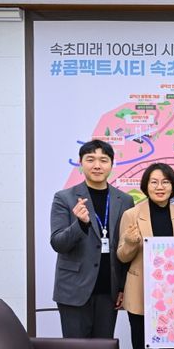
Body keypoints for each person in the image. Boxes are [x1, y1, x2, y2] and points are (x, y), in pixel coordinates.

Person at [117, 163, 174, 349]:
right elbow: (122, 256)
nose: (159, 187)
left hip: (172, 297)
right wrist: (131, 243)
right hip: (141, 294)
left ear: (173, 187)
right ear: (145, 186)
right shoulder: (131, 215)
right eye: (154, 182)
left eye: (165, 182)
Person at [50, 139, 133, 338]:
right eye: (90, 159)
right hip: (73, 290)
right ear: (81, 163)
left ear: (111, 164)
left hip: (109, 290)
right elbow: (58, 243)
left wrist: (123, 287)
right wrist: (79, 224)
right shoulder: (64, 198)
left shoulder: (125, 200)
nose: (97, 165)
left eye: (103, 160)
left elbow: (126, 247)